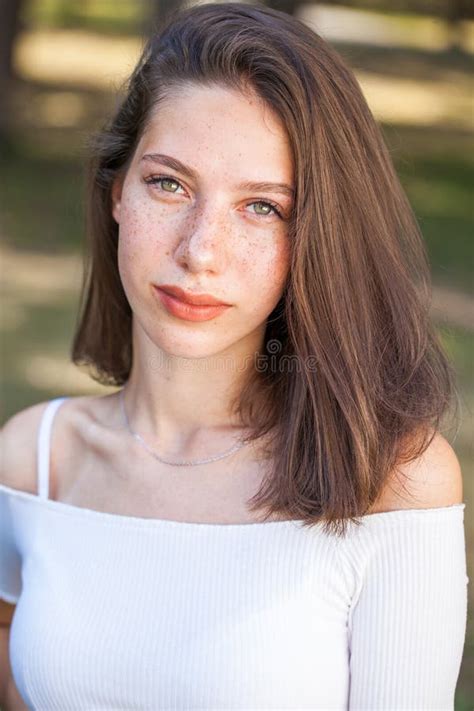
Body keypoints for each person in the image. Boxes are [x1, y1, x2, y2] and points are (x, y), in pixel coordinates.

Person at [0, 2, 468, 708]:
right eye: (169, 183)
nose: (199, 252)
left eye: (262, 207)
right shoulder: (34, 462)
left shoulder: (394, 478)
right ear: (117, 190)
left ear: (314, 236)